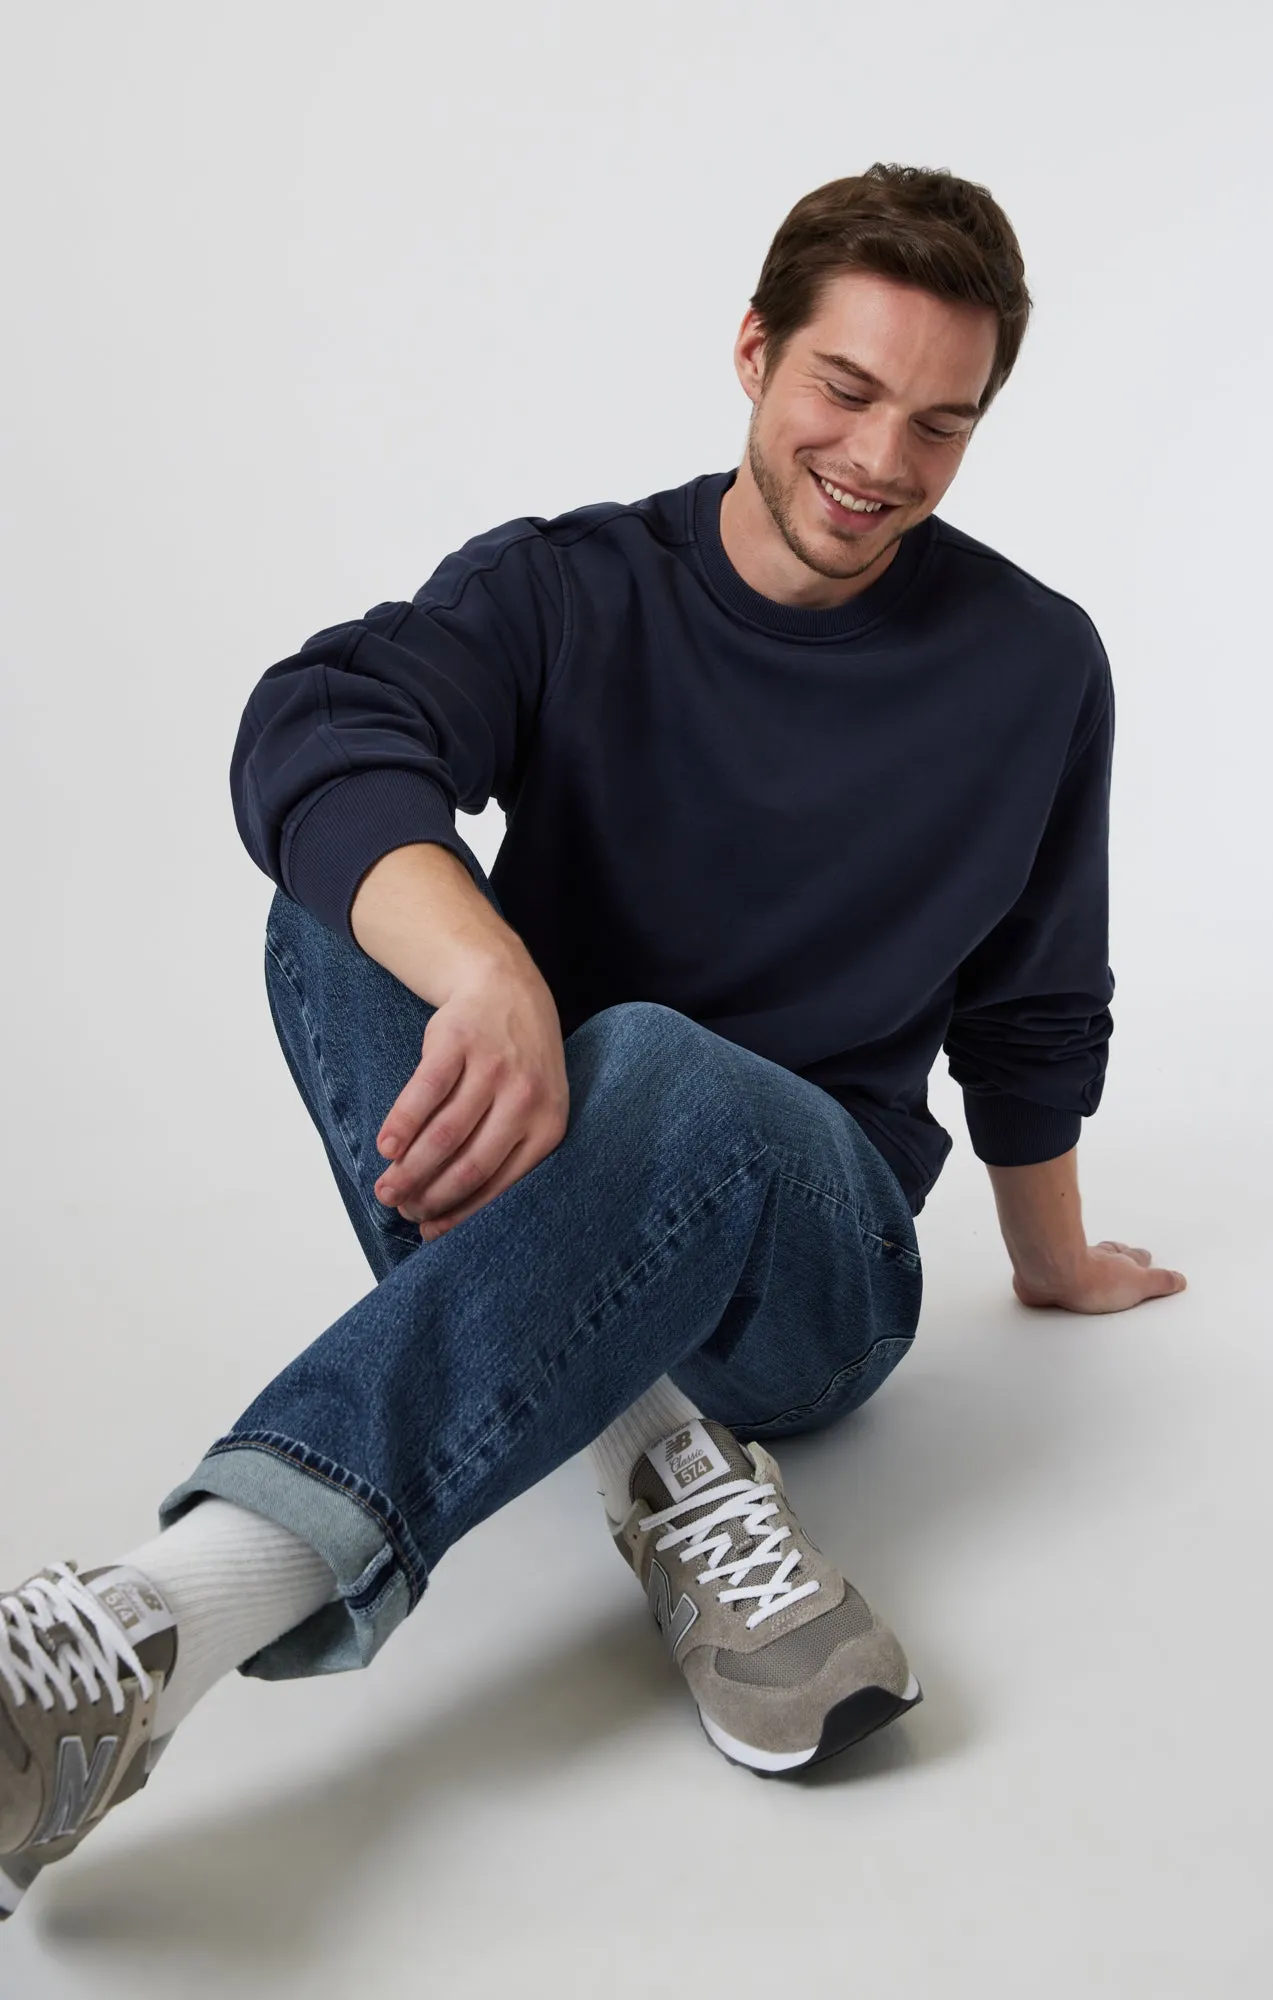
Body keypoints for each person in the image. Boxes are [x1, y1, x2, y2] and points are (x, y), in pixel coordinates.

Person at [0, 161, 1187, 1920]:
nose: (878, 462)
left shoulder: (1034, 663)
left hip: (810, 1262)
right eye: (845, 390)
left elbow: (1034, 998)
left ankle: (178, 1611)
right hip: (542, 1152)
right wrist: (480, 963)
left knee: (665, 1065)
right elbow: (324, 718)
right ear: (753, 353)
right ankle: (660, 1462)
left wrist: (1054, 1252)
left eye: (939, 425)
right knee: (342, 903)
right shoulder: (571, 587)